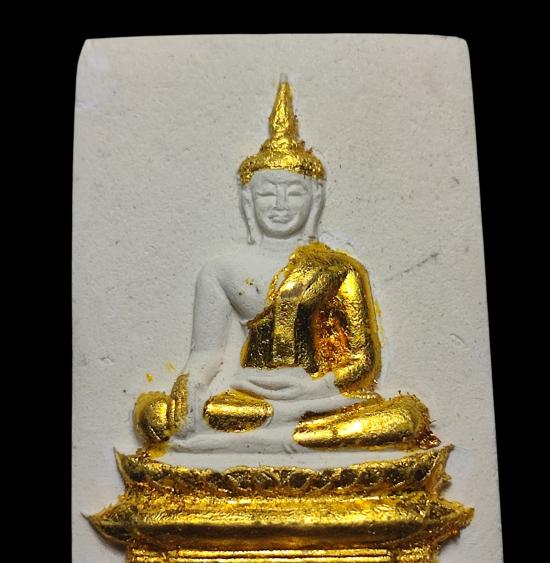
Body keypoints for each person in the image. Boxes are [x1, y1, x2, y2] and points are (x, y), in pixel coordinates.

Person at [135, 78, 438, 453]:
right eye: (267, 193)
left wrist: (314, 387)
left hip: (317, 398)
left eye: (293, 192)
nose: (280, 205)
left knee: (405, 418)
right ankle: (289, 442)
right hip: (247, 397)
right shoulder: (221, 269)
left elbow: (363, 361)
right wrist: (190, 384)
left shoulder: (340, 269)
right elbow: (206, 355)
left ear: (314, 198)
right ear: (248, 200)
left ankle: (260, 444)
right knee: (157, 415)